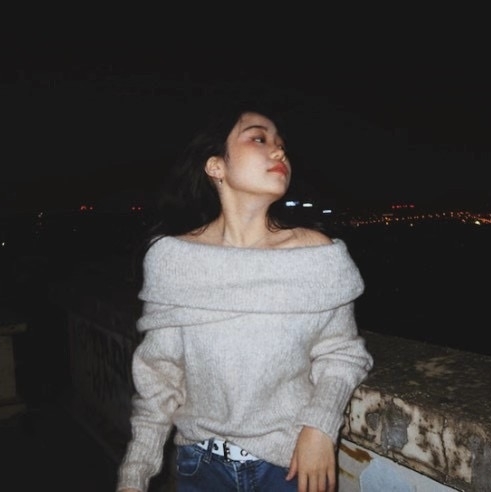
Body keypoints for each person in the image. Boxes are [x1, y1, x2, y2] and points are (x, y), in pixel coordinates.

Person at [116, 100, 373, 492]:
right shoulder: (174, 260)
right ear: (215, 166)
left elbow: (342, 354)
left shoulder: (316, 256)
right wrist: (134, 477)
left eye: (281, 143)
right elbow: (160, 377)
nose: (279, 151)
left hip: (290, 467)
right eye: (259, 139)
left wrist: (320, 426)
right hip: (199, 467)